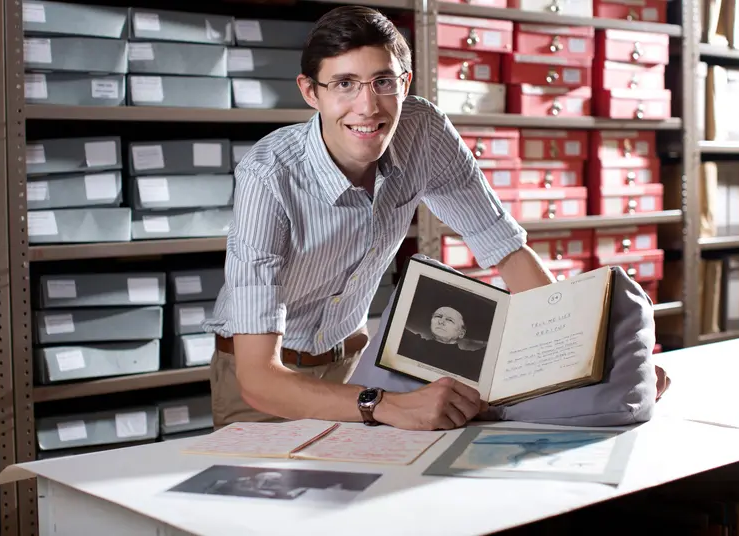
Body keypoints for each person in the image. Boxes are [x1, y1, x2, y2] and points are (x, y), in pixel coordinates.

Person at [203, 5, 562, 432]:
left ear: (404, 83)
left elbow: (505, 247)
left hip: (358, 366)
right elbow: (259, 378)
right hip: (271, 384)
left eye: (383, 82)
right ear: (310, 92)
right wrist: (387, 405)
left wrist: (583, 355)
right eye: (344, 84)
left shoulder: (423, 130)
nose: (367, 106)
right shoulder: (268, 177)